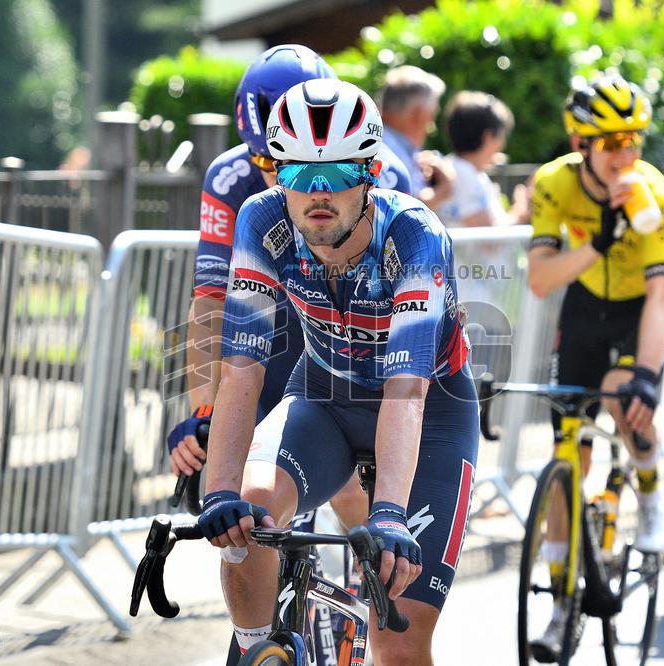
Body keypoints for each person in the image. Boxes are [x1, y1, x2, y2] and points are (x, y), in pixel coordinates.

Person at [196, 78, 478, 665]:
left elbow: (407, 391)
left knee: (397, 642)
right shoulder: (261, 221)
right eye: (299, 175)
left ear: (372, 172)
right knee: (249, 517)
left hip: (429, 420)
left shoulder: (415, 236)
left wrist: (390, 515)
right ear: (276, 174)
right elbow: (242, 369)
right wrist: (219, 491)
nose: (317, 194)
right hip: (322, 395)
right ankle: (260, 652)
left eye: (339, 174)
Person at [164, 44, 413, 664]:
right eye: (266, 161)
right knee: (251, 494)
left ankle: (363, 589)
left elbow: (405, 319)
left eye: (305, 166)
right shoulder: (230, 179)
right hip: (269, 328)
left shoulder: (387, 177)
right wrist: (202, 410)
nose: (280, 178)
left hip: (354, 333)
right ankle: (262, 638)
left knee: (349, 485)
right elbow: (209, 303)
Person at [527, 74, 664, 662]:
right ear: (581, 141)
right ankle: (560, 603)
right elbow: (541, 279)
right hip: (585, 308)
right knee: (568, 454)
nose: (626, 154)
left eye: (634, 139)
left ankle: (650, 489)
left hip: (642, 307)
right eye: (611, 141)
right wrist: (599, 241)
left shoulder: (654, 192)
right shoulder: (555, 183)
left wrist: (646, 372)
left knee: (625, 399)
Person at [437, 90, 529, 227]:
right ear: (487, 136)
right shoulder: (465, 175)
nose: (502, 144)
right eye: (502, 135)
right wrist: (521, 209)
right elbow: (488, 241)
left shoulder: (461, 169)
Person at [377, 65, 456, 210]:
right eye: (433, 115)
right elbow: (401, 210)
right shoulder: (386, 151)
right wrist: (444, 189)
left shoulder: (383, 143)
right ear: (419, 114)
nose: (431, 126)